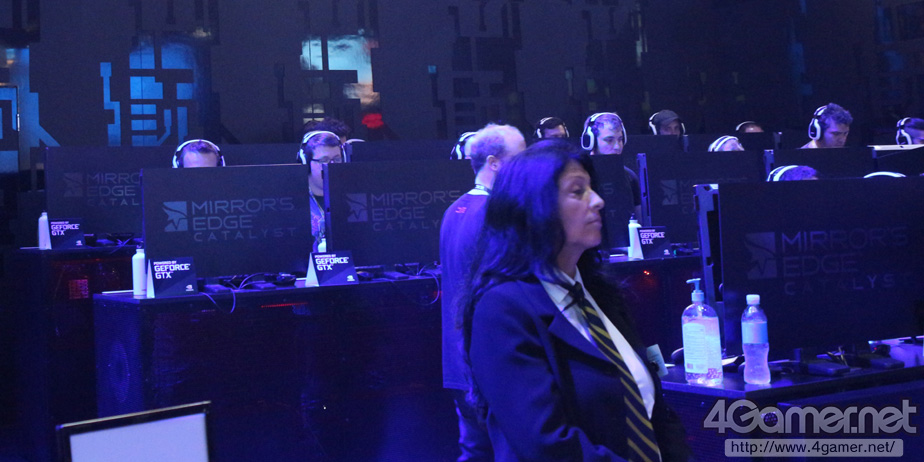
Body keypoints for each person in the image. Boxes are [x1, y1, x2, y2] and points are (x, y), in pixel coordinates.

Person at [462, 139, 690, 461]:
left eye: (592, 188)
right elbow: (547, 444)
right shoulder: (503, 310)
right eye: (577, 191)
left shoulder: (601, 293)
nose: (598, 201)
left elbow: (655, 410)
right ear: (534, 207)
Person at [441, 123, 526, 462]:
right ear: (494, 162)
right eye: (519, 158)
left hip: (460, 365)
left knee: (475, 452)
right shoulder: (497, 215)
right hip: (491, 365)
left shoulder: (454, 210)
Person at [581, 112, 642, 218]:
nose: (617, 146)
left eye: (620, 139)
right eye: (609, 140)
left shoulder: (629, 177)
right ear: (591, 141)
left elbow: (640, 219)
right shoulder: (580, 175)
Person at [297, 130, 343, 253]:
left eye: (337, 159)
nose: (331, 166)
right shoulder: (292, 200)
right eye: (324, 160)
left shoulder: (351, 196)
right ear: (306, 162)